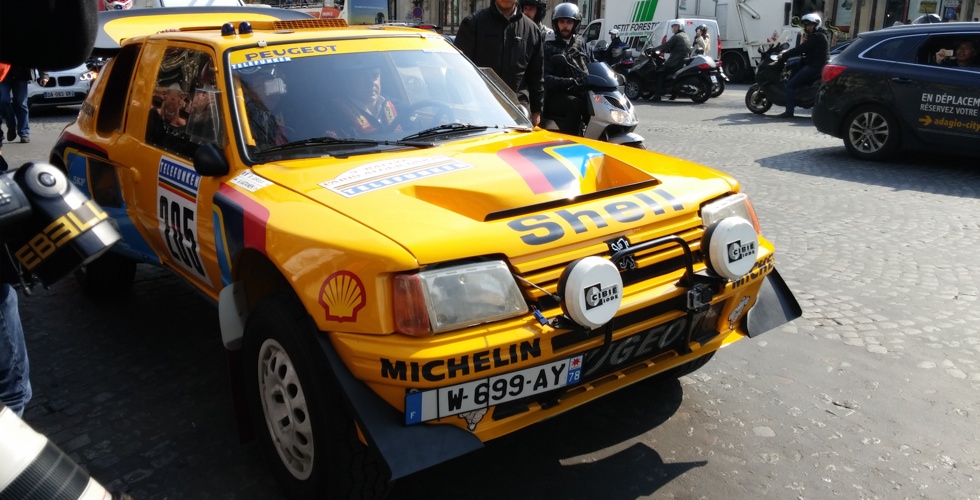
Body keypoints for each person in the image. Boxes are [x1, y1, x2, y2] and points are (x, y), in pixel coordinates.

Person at [454, 0, 544, 126]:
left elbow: (536, 75)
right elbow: (457, 70)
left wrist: (536, 111)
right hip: (478, 112)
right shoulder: (473, 23)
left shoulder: (531, 30)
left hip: (518, 112)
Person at [543, 2, 591, 136]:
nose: (565, 25)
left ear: (575, 24)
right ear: (556, 24)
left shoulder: (581, 43)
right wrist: (569, 81)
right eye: (561, 21)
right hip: (556, 95)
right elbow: (545, 77)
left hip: (582, 90)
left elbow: (593, 61)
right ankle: (572, 140)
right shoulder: (549, 46)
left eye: (569, 22)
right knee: (575, 104)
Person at [773, 13, 829, 118]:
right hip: (816, 64)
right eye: (807, 25)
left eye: (811, 25)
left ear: (816, 25)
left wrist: (784, 55)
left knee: (790, 85)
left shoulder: (817, 37)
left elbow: (801, 48)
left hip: (814, 66)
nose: (808, 27)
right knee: (794, 67)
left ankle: (789, 111)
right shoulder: (819, 35)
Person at [332, 62, 400, 137]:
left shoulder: (397, 106)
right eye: (363, 77)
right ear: (348, 81)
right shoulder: (337, 117)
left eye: (375, 76)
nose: (371, 83)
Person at [0, 65, 49, 143]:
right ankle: (11, 125)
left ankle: (24, 133)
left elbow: (38, 55)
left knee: (21, 104)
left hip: (21, 75)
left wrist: (44, 75)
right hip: (2, 75)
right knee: (3, 101)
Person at [649, 21, 691, 102]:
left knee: (660, 71)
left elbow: (666, 45)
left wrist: (654, 49)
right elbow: (677, 47)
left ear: (680, 27)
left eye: (676, 26)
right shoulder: (685, 36)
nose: (674, 28)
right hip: (682, 59)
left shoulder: (676, 37)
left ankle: (657, 94)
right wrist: (667, 50)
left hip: (675, 60)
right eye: (673, 27)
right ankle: (673, 93)